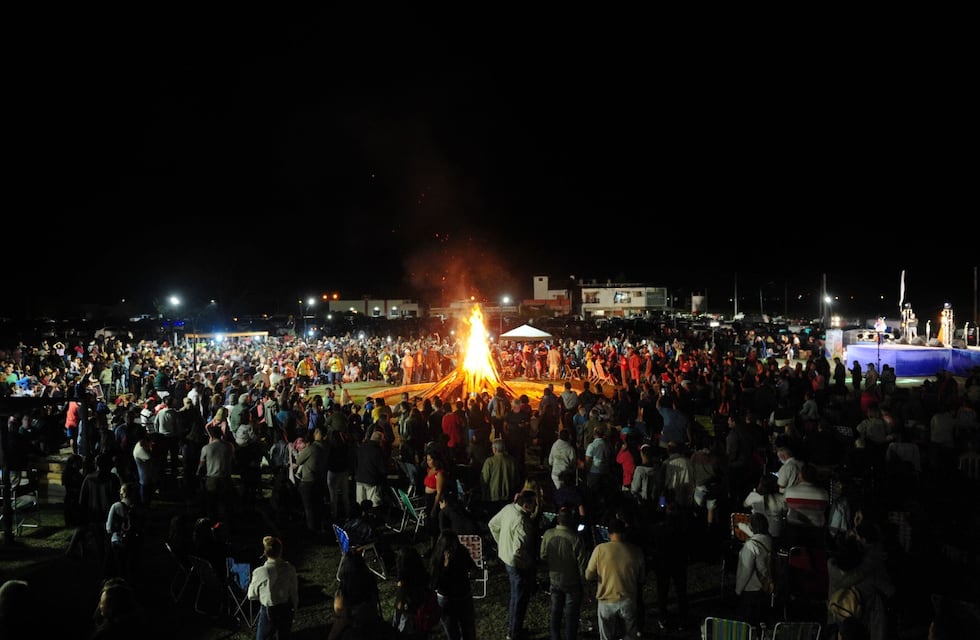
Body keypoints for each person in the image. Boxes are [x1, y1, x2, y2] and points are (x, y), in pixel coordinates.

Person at [488, 490, 538, 640]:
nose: (536, 506)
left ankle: (514, 628)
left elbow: (492, 524)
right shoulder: (522, 521)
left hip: (506, 559)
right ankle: (514, 632)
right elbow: (518, 550)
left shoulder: (508, 509)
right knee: (519, 599)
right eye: (534, 504)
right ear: (526, 505)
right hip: (517, 565)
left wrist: (502, 543)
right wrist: (528, 563)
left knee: (515, 597)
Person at [585, 518, 645, 640]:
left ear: (609, 533)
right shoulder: (636, 551)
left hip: (606, 600)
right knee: (630, 635)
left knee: (606, 636)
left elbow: (588, 575)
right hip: (628, 599)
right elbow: (641, 578)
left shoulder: (600, 550)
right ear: (625, 532)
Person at [540, 509, 587, 640]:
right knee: (571, 614)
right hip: (572, 582)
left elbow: (543, 556)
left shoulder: (548, 534)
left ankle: (555, 636)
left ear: (558, 519)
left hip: (554, 579)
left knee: (556, 610)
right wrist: (584, 580)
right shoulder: (575, 538)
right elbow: (582, 564)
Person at [247, 535, 299, 640]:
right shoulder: (289, 568)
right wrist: (294, 608)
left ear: (265, 552)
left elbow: (251, 595)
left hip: (269, 609)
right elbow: (294, 591)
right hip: (286, 608)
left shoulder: (260, 572)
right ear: (281, 551)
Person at [430, 531, 477, 640]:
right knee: (452, 632)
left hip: (464, 596)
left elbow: (473, 568)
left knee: (468, 631)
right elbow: (434, 583)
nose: (453, 548)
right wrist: (446, 566)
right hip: (447, 600)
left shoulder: (462, 552)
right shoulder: (437, 559)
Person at [734, 512, 773, 627]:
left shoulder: (750, 546)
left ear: (752, 527)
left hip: (750, 591)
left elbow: (746, 571)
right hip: (765, 588)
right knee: (761, 624)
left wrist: (738, 590)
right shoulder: (768, 541)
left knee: (748, 625)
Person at [105, 482, 144, 581]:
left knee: (119, 565)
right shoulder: (138, 508)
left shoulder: (116, 506)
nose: (120, 493)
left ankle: (119, 581)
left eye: (121, 491)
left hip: (118, 540)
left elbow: (109, 528)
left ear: (125, 493)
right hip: (132, 541)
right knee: (131, 566)